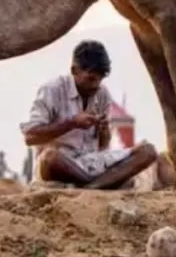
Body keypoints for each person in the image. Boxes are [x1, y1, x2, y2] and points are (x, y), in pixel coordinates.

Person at [20, 40, 157, 189]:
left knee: (147, 151)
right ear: (74, 70)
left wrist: (104, 131)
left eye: (100, 79)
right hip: (63, 163)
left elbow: (103, 147)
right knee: (49, 158)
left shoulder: (102, 94)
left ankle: (93, 186)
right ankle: (105, 183)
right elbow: (30, 137)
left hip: (92, 163)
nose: (95, 85)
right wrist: (72, 123)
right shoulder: (52, 90)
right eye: (90, 78)